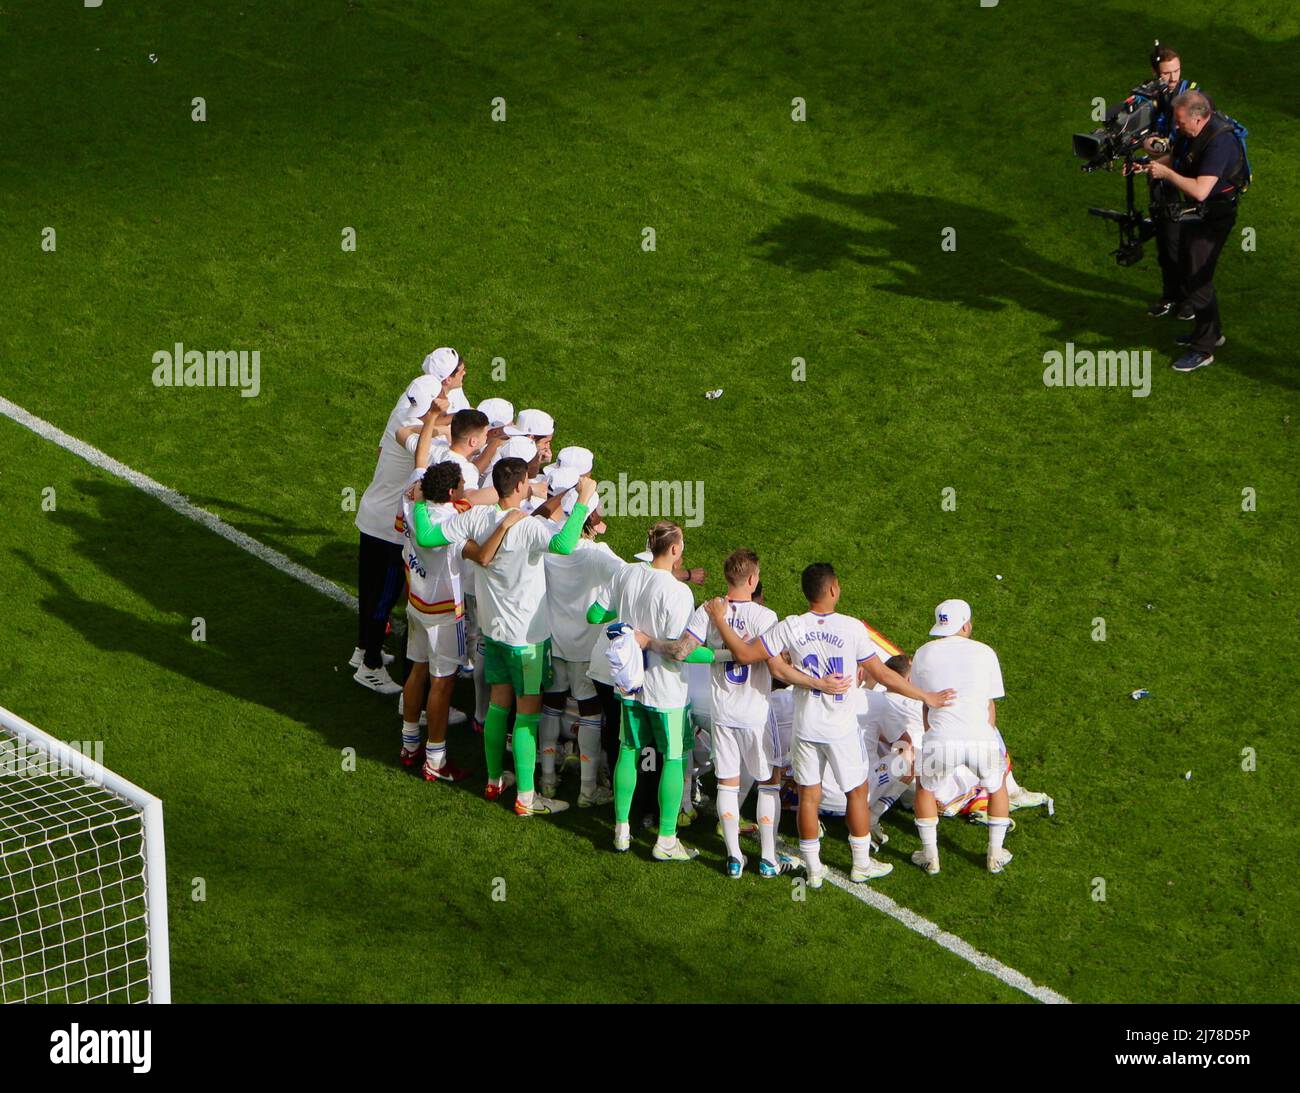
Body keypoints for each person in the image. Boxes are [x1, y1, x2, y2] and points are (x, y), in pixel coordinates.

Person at [705, 563, 955, 887]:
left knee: (809, 795)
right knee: (857, 792)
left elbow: (745, 654)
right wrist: (926, 696)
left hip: (805, 727)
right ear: (834, 588)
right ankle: (861, 864)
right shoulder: (851, 628)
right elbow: (883, 675)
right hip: (839, 728)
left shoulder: (790, 626)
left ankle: (813, 871)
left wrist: (720, 620)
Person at [414, 460, 597, 816]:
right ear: (519, 486)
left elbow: (426, 536)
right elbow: (563, 544)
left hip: (492, 631)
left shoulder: (476, 518)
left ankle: (494, 779)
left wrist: (421, 501)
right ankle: (527, 799)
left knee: (499, 705)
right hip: (527, 638)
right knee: (527, 716)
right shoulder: (525, 527)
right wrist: (584, 503)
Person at [639, 549, 834, 878]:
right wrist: (815, 682)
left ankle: (733, 858)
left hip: (723, 713)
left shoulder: (708, 609)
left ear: (728, 577)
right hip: (756, 713)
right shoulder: (765, 617)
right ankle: (769, 860)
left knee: (727, 785)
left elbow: (681, 652)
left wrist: (649, 642)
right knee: (767, 783)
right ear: (753, 579)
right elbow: (774, 667)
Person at [588, 521, 717, 861]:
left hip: (629, 686)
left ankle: (621, 832)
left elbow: (598, 613)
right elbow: (679, 650)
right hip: (666, 690)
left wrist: (630, 630)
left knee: (628, 751)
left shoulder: (626, 574)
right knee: (673, 758)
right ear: (674, 550)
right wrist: (727, 655)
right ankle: (666, 839)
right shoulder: (678, 593)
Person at [397, 460, 520, 780]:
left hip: (415, 604)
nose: (466, 489)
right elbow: (482, 556)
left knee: (417, 669)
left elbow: (467, 500)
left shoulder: (412, 502)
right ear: (450, 492)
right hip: (442, 614)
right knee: (442, 682)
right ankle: (435, 760)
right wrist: (505, 526)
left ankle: (410, 744)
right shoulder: (452, 526)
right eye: (462, 485)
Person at [351, 356, 460, 693]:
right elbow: (430, 434)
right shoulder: (415, 436)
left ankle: (361, 651)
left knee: (370, 594)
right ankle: (369, 666)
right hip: (388, 528)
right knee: (382, 598)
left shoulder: (401, 418)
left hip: (373, 515)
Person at [1132, 90, 1247, 372]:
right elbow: (1177, 160)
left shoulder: (1221, 143)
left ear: (1198, 119)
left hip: (1215, 215)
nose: (1176, 125)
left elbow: (1200, 190)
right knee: (1189, 266)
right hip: (1199, 213)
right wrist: (1148, 166)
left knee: (1197, 277)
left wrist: (1166, 175)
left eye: (1180, 121)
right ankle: (1211, 333)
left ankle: (1203, 349)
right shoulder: (1192, 131)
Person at [908, 599, 1012, 875]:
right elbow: (990, 705)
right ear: (966, 625)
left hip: (941, 736)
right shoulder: (985, 652)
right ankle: (995, 853)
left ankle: (930, 856)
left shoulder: (923, 653)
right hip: (979, 736)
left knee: (925, 788)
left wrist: (931, 732)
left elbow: (922, 701)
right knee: (997, 786)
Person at [1140, 42, 1207, 321]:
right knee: (1167, 241)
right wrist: (1153, 145)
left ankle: (1191, 299)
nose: (1174, 78)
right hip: (1162, 174)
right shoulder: (1147, 94)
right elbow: (1142, 136)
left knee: (1191, 242)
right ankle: (1171, 295)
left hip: (1190, 174)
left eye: (1176, 70)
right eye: (1167, 73)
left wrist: (1163, 150)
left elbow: (1199, 133)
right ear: (1155, 72)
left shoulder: (1193, 93)